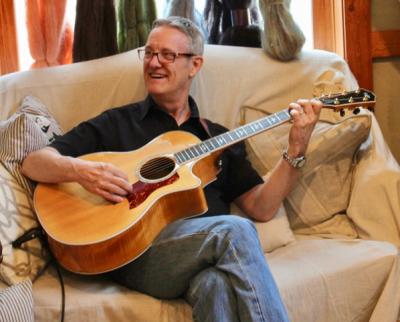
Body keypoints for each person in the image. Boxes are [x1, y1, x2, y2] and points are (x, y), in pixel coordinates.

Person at [22, 16, 321, 322]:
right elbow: (33, 162)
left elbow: (262, 207)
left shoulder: (217, 137)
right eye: (149, 53)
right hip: (136, 251)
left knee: (214, 285)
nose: (154, 63)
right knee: (235, 230)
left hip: (199, 258)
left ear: (194, 65)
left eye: (168, 55)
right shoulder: (118, 122)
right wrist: (81, 172)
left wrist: (297, 147)